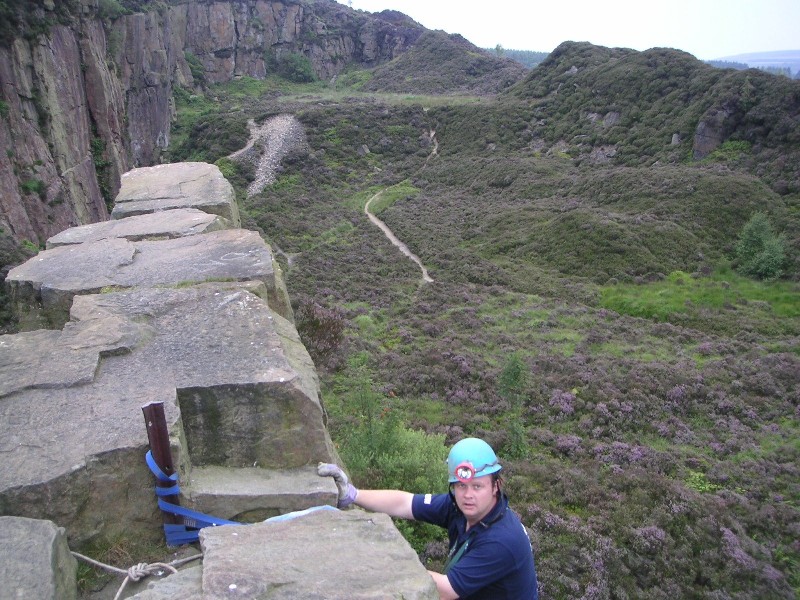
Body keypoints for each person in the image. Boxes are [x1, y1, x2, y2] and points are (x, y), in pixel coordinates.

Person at [318, 437, 538, 600]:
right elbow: (406, 503)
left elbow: (447, 590)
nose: (468, 494)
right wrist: (353, 495)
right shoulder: (459, 507)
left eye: (477, 486)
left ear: (495, 487)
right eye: (461, 486)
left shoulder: (502, 540)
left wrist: (381, 564)